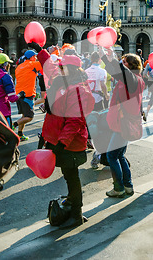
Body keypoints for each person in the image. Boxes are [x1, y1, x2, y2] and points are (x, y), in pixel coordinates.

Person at [39, 51, 95, 228]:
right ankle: (72, 206)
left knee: (72, 177)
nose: (59, 70)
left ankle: (76, 214)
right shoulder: (65, 83)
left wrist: (62, 143)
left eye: (63, 68)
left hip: (70, 142)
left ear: (70, 69)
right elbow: (50, 69)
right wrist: (41, 51)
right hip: (62, 141)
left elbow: (75, 120)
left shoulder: (79, 89)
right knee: (68, 176)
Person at [102, 48, 145, 197]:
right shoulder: (133, 79)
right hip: (124, 120)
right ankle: (128, 186)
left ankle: (118, 188)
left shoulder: (133, 79)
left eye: (126, 62)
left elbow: (121, 71)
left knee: (111, 156)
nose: (123, 63)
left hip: (123, 121)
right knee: (119, 156)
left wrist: (116, 59)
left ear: (132, 65)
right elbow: (115, 71)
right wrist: (105, 56)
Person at [13, 50, 42, 141]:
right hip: (27, 94)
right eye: (35, 56)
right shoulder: (33, 64)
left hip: (19, 94)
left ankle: (20, 134)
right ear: (32, 57)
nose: (36, 58)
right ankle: (13, 125)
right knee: (29, 117)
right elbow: (46, 62)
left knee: (24, 116)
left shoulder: (19, 67)